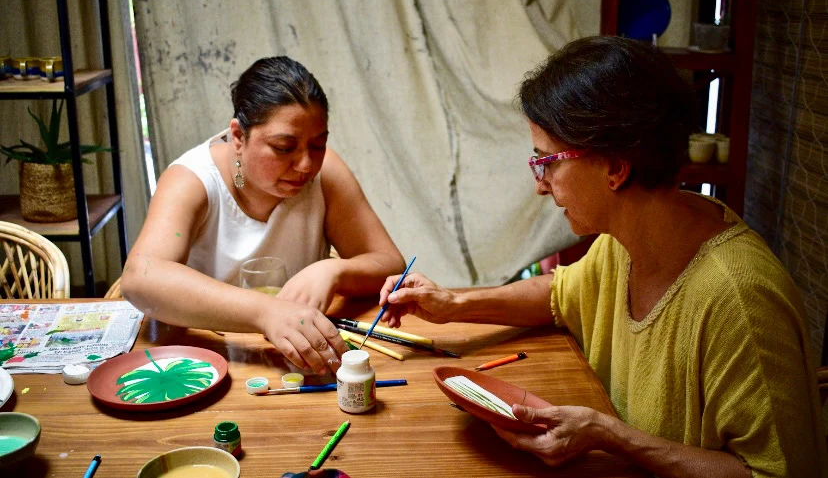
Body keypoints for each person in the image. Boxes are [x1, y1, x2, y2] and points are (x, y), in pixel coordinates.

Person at [378, 37, 827, 477]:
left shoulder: (741, 301)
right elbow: (560, 293)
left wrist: (613, 436)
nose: (540, 184)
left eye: (548, 161)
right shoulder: (629, 238)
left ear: (614, 167)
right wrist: (453, 304)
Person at [122, 56, 405, 376]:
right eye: (284, 147)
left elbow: (391, 264)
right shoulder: (193, 179)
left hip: (298, 360)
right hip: (212, 361)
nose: (306, 165)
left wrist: (334, 270)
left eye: (318, 145)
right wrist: (267, 312)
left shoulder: (325, 173)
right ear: (238, 137)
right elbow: (140, 277)